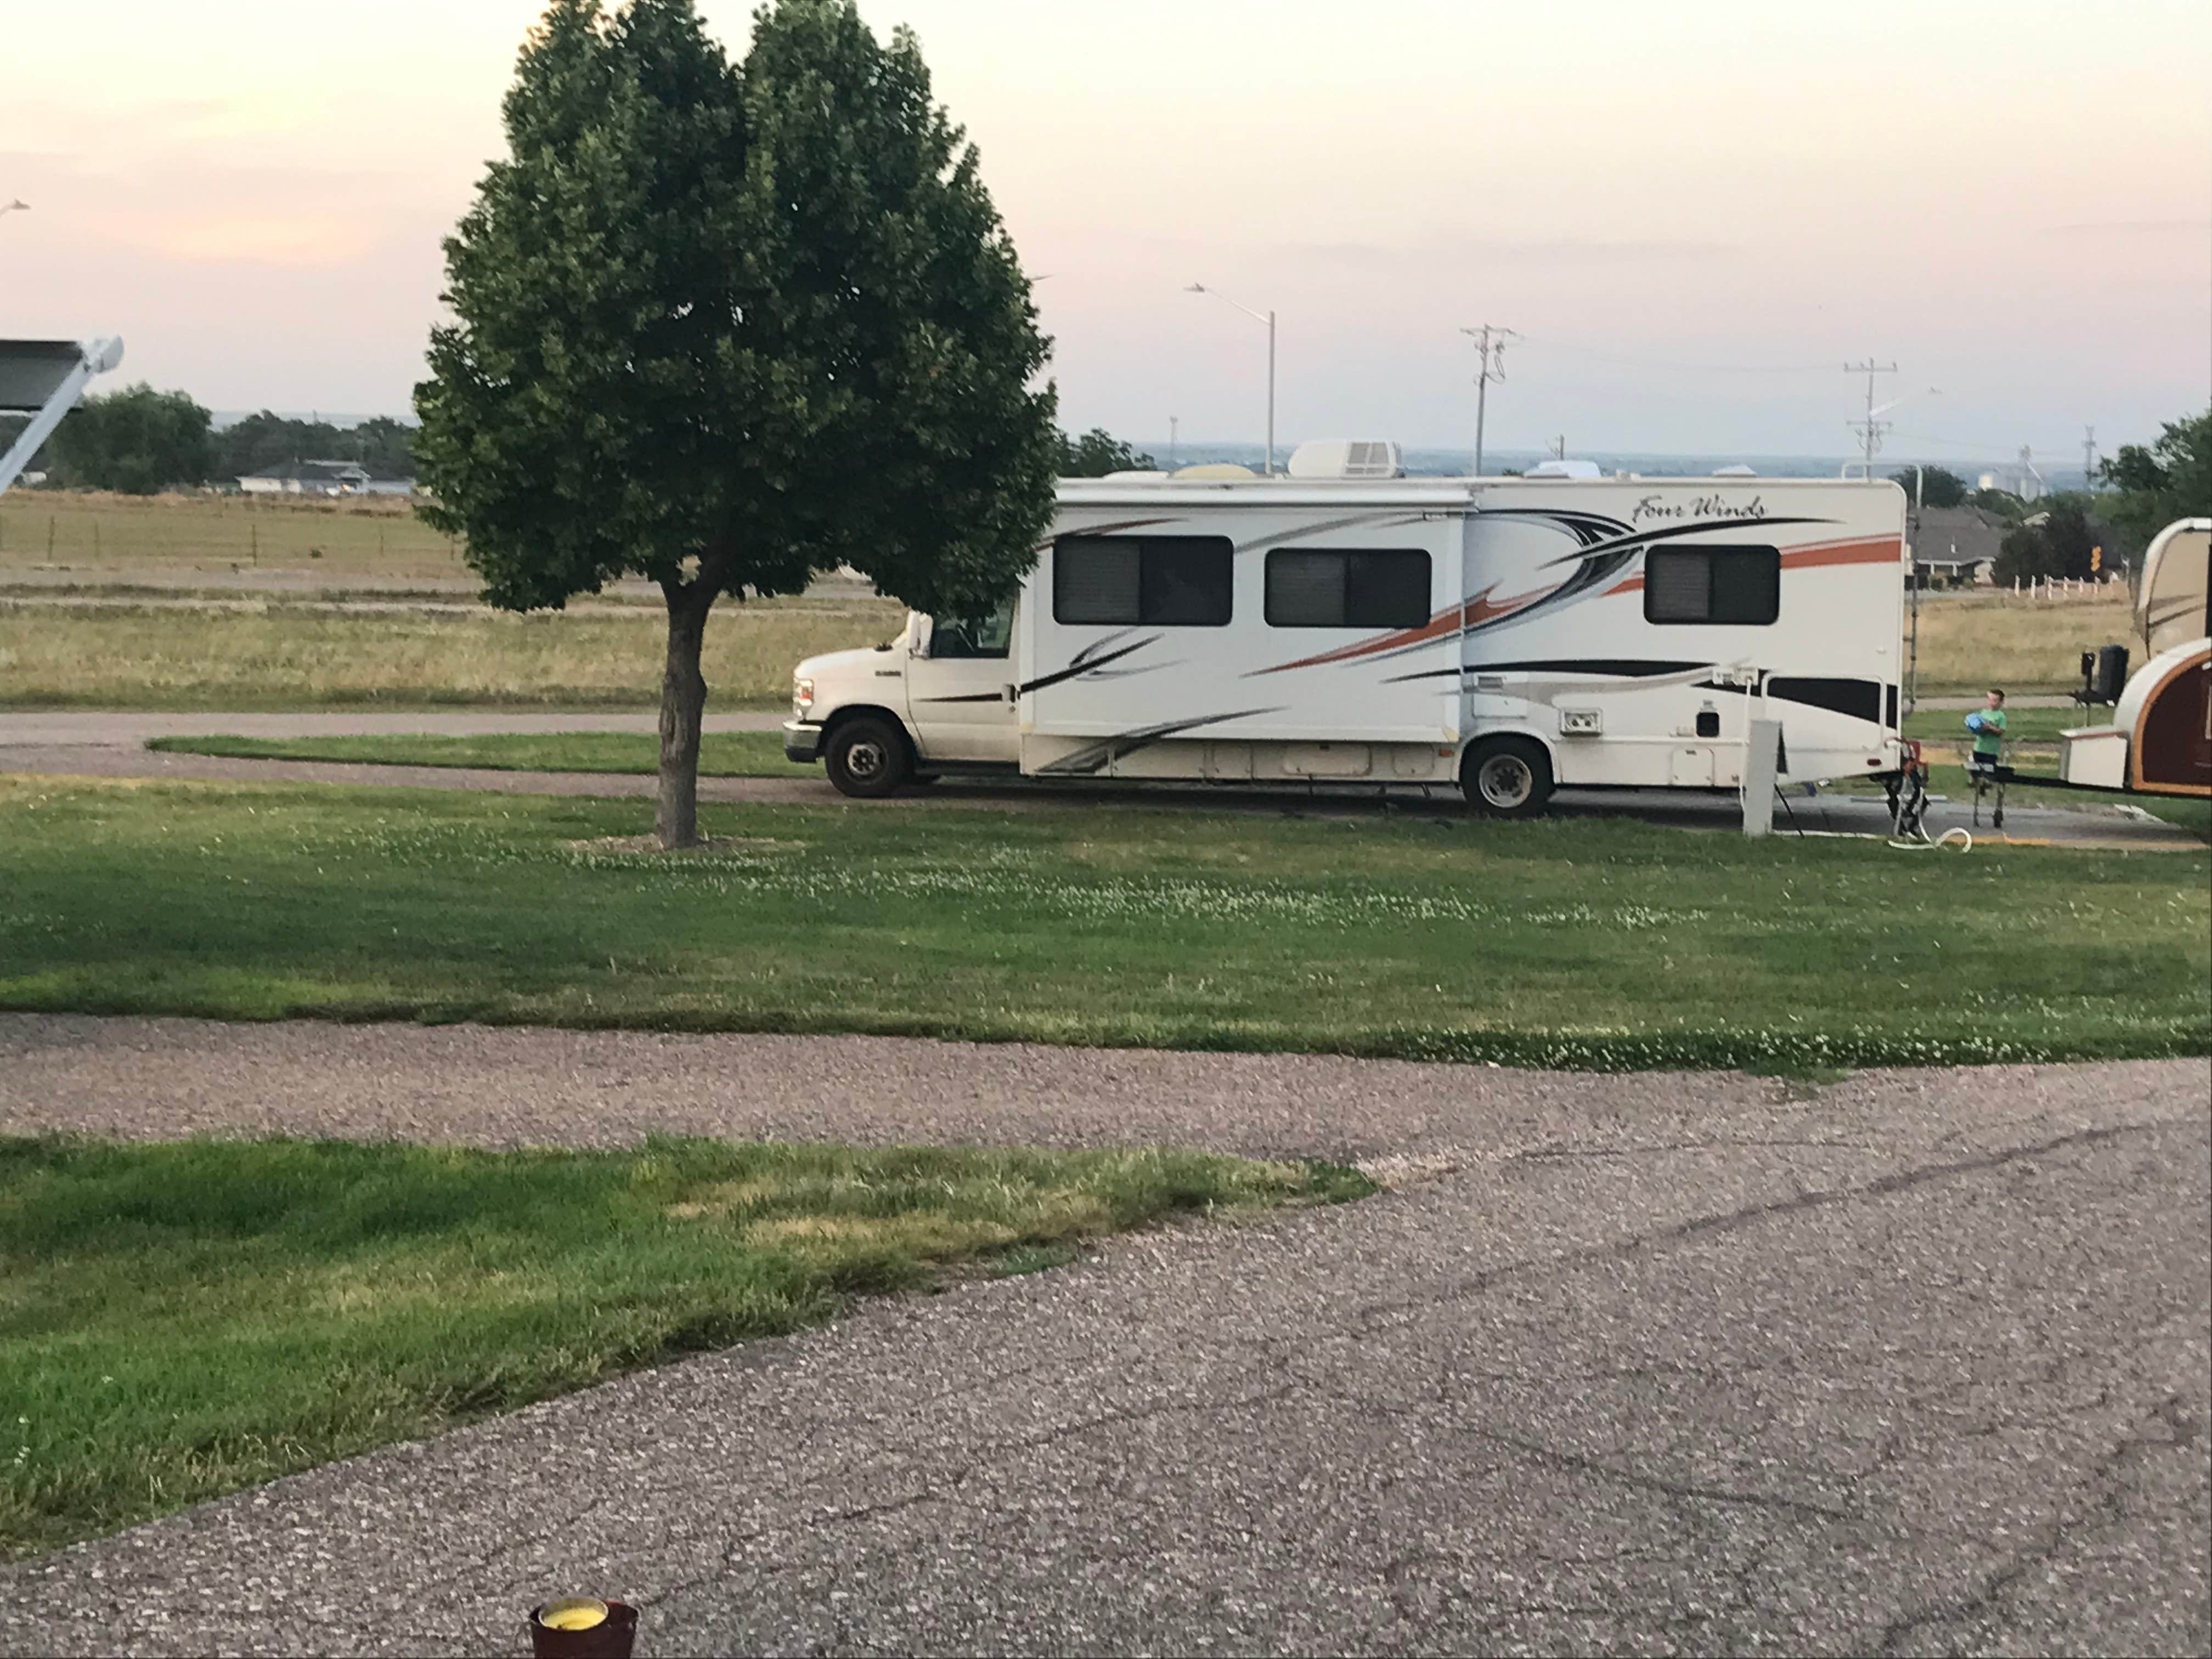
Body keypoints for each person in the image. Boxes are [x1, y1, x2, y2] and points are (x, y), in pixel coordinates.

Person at [1965, 688, 2007, 771]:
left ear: (2001, 702)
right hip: (1979, 748)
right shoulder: (1982, 713)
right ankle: (1975, 782)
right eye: (1990, 699)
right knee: (1975, 769)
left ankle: (1987, 783)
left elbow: (2001, 732)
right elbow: (1977, 729)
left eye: (1995, 700)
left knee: (1989, 770)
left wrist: (1990, 727)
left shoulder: (2001, 716)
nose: (1992, 703)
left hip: (1991, 750)